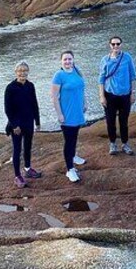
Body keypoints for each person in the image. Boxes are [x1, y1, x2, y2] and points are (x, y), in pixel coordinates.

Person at [4, 61, 42, 188]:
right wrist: (15, 125)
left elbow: (34, 104)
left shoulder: (30, 86)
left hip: (29, 121)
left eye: (25, 70)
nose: (22, 73)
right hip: (17, 125)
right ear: (16, 72)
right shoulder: (10, 88)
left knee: (28, 146)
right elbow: (8, 109)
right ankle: (17, 176)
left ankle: (27, 169)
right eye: (20, 71)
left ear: (28, 72)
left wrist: (37, 121)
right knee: (17, 149)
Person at [51, 51, 87, 183]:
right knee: (69, 140)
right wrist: (59, 114)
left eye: (69, 59)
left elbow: (82, 88)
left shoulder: (77, 71)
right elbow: (54, 97)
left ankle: (73, 155)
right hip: (67, 113)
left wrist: (85, 102)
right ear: (61, 61)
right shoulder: (59, 75)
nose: (67, 62)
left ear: (73, 60)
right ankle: (69, 170)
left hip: (77, 111)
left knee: (75, 136)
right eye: (65, 59)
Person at [98, 36, 136, 156]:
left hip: (125, 95)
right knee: (110, 121)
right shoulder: (105, 60)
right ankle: (113, 144)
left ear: (121, 45)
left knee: (123, 121)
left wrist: (133, 93)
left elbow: (133, 76)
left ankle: (125, 144)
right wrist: (102, 96)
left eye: (118, 44)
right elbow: (101, 79)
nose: (116, 46)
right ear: (110, 45)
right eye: (113, 44)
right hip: (110, 95)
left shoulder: (127, 58)